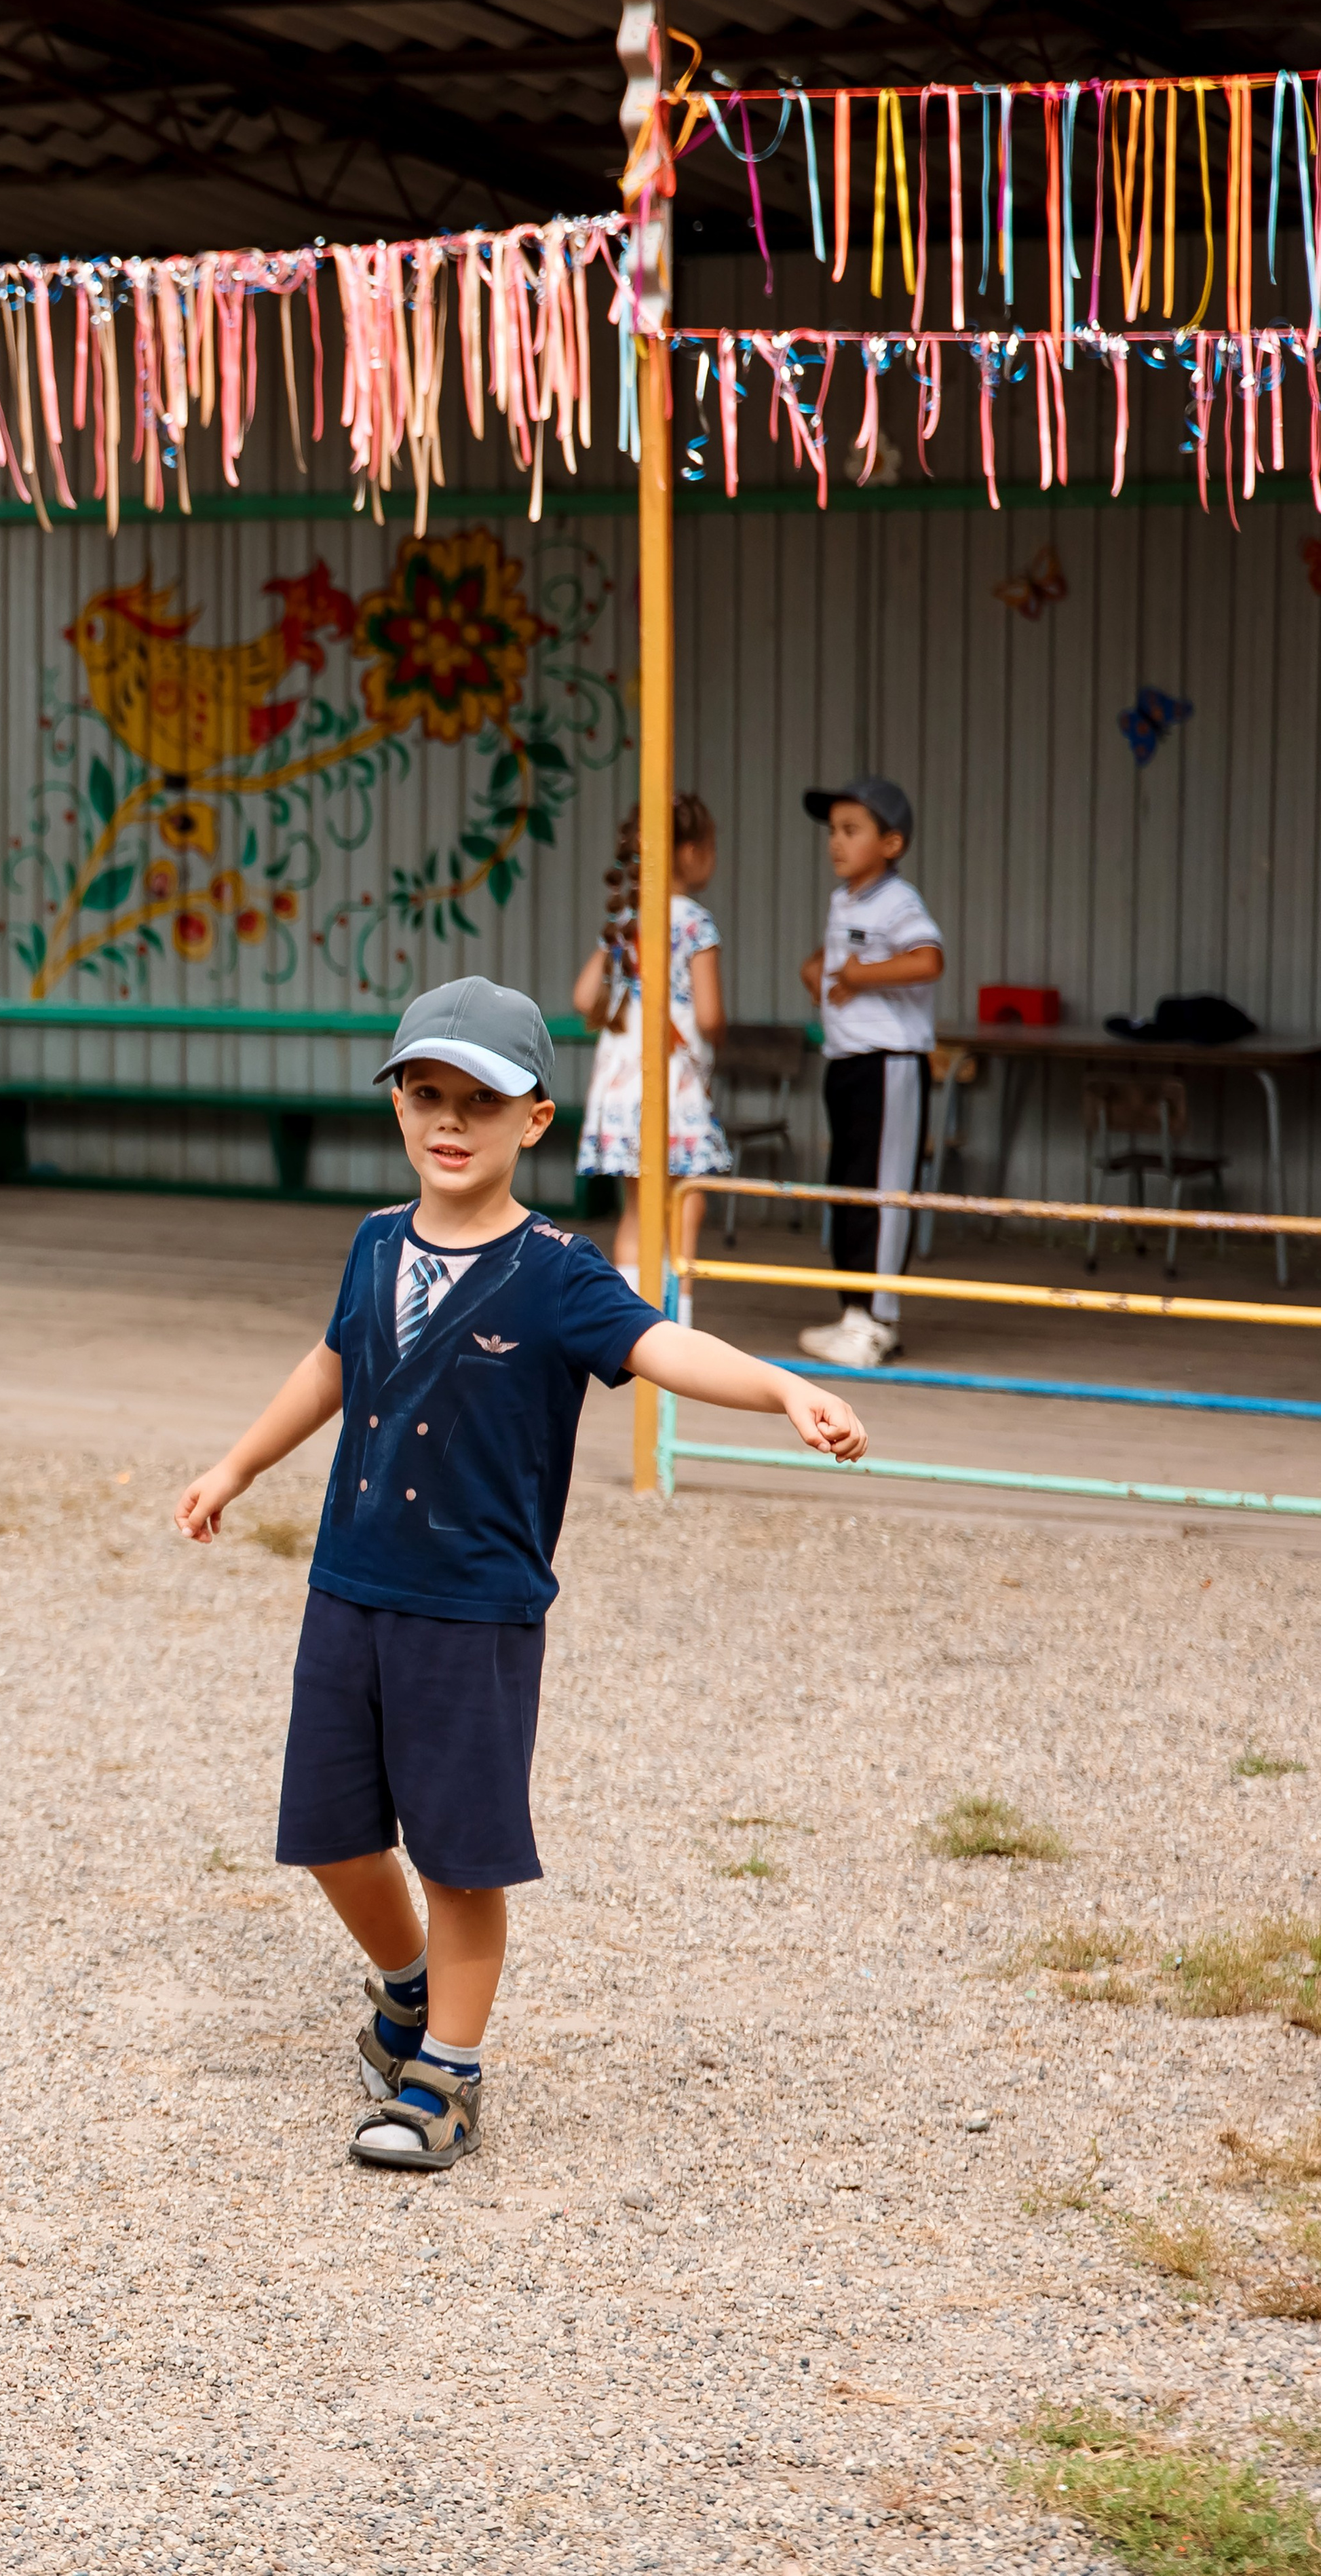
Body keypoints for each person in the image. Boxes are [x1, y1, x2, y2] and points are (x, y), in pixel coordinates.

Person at [174, 977, 866, 2172]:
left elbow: (663, 1343)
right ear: (397, 1104)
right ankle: (408, 1990)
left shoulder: (556, 1271)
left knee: (460, 1856)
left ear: (536, 1119)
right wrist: (235, 1465)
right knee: (330, 1835)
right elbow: (333, 1365)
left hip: (474, 1611)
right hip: (348, 1587)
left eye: (482, 1101)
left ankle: (447, 2077)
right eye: (425, 1094)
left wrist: (783, 1388)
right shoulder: (374, 1243)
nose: (450, 1121)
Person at [797, 778, 944, 1369]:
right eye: (833, 830)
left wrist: (860, 976)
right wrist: (819, 970)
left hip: (890, 1066)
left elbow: (928, 959)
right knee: (851, 1191)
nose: (836, 841)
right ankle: (854, 1314)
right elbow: (837, 957)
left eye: (851, 830)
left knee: (883, 1195)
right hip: (849, 1064)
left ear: (891, 843)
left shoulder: (898, 901)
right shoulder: (846, 900)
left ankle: (880, 1321)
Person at [571, 793, 732, 1302]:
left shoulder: (627, 919)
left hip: (621, 1083)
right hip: (669, 1083)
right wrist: (719, 1039)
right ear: (690, 852)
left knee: (637, 1212)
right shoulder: (694, 922)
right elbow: (709, 1015)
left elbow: (583, 997)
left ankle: (631, 1321)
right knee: (687, 1202)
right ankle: (676, 1317)